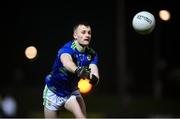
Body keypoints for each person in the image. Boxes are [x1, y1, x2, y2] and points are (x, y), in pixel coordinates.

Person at [43, 22, 100, 118]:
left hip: (71, 92)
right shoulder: (67, 48)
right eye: (83, 32)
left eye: (89, 33)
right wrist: (77, 70)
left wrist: (95, 78)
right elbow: (67, 62)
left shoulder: (92, 54)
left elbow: (94, 70)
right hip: (53, 92)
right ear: (75, 35)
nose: (87, 35)